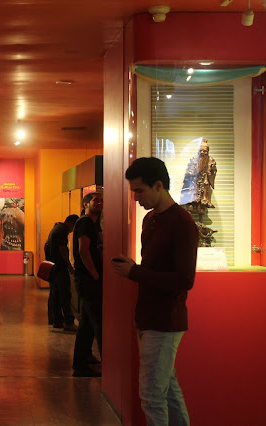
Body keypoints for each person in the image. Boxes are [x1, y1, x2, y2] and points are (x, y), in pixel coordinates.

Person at [112, 157, 198, 426]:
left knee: (152, 395)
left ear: (158, 185)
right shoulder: (150, 219)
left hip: (165, 320)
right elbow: (154, 269)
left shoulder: (182, 223)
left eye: (140, 190)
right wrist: (135, 270)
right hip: (149, 318)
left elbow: (184, 279)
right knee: (167, 389)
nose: (136, 197)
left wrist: (134, 272)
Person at [72, 192, 104, 377]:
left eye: (101, 200)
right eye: (95, 200)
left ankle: (82, 360)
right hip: (88, 279)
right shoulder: (84, 222)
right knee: (98, 321)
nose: (99, 203)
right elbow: (83, 250)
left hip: (89, 278)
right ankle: (106, 364)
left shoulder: (93, 224)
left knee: (87, 322)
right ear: (85, 204)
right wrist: (95, 274)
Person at [45, 214, 79, 331]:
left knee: (55, 294)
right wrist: (69, 265)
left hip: (53, 267)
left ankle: (56, 320)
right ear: (71, 223)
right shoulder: (62, 231)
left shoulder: (56, 228)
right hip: (60, 267)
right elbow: (62, 249)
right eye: (74, 227)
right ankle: (68, 321)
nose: (73, 230)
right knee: (65, 294)